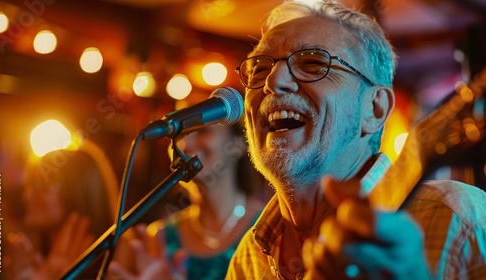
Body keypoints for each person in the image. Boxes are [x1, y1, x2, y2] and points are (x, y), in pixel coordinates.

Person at [226, 0, 486, 279]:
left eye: (313, 63)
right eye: (259, 69)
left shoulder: (458, 217)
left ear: (374, 109)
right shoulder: (248, 257)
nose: (273, 81)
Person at [108, 119, 265, 279]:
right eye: (179, 135)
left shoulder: (268, 229)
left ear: (238, 145)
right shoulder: (161, 238)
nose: (184, 144)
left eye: (203, 132)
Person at [5, 141, 133, 279]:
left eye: (43, 184)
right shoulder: (26, 252)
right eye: (30, 184)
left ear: (79, 191)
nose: (27, 195)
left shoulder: (117, 248)